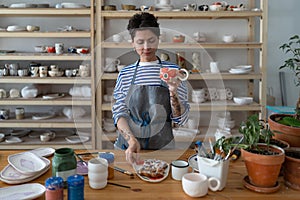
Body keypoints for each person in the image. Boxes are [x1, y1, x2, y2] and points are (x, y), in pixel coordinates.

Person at [112, 12, 190, 164]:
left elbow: (180, 119)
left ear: (158, 40)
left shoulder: (173, 71)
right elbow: (119, 112)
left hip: (163, 148)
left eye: (151, 41)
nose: (146, 47)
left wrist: (173, 92)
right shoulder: (125, 74)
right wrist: (131, 140)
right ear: (132, 43)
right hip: (129, 147)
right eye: (140, 42)